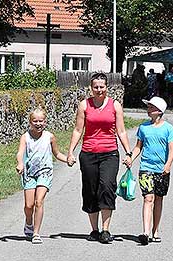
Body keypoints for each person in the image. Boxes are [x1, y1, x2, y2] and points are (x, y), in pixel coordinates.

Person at [67, 72, 132, 244]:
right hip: (88, 153)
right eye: (95, 87)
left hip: (109, 153)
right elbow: (78, 130)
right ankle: (94, 230)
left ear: (106, 88)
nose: (98, 90)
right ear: (91, 87)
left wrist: (128, 152)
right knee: (90, 190)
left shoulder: (115, 105)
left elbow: (122, 131)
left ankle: (106, 229)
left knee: (107, 187)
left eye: (101, 87)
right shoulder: (84, 105)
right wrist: (70, 151)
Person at [129, 96, 173, 245]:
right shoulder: (143, 127)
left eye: (150, 107)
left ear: (159, 111)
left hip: (162, 169)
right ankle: (145, 232)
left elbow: (172, 149)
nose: (148, 109)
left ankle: (155, 231)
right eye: (148, 107)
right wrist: (131, 157)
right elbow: (139, 146)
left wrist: (168, 165)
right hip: (146, 168)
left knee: (158, 199)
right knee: (148, 198)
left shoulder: (168, 128)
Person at [16, 107, 68, 244]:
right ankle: (29, 222)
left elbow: (57, 154)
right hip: (29, 173)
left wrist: (67, 159)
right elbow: (20, 153)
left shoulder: (49, 137)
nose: (38, 124)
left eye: (41, 121)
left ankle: (36, 233)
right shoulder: (25, 137)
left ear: (45, 122)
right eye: (35, 121)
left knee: (39, 201)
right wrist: (20, 163)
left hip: (45, 172)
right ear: (30, 122)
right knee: (29, 205)